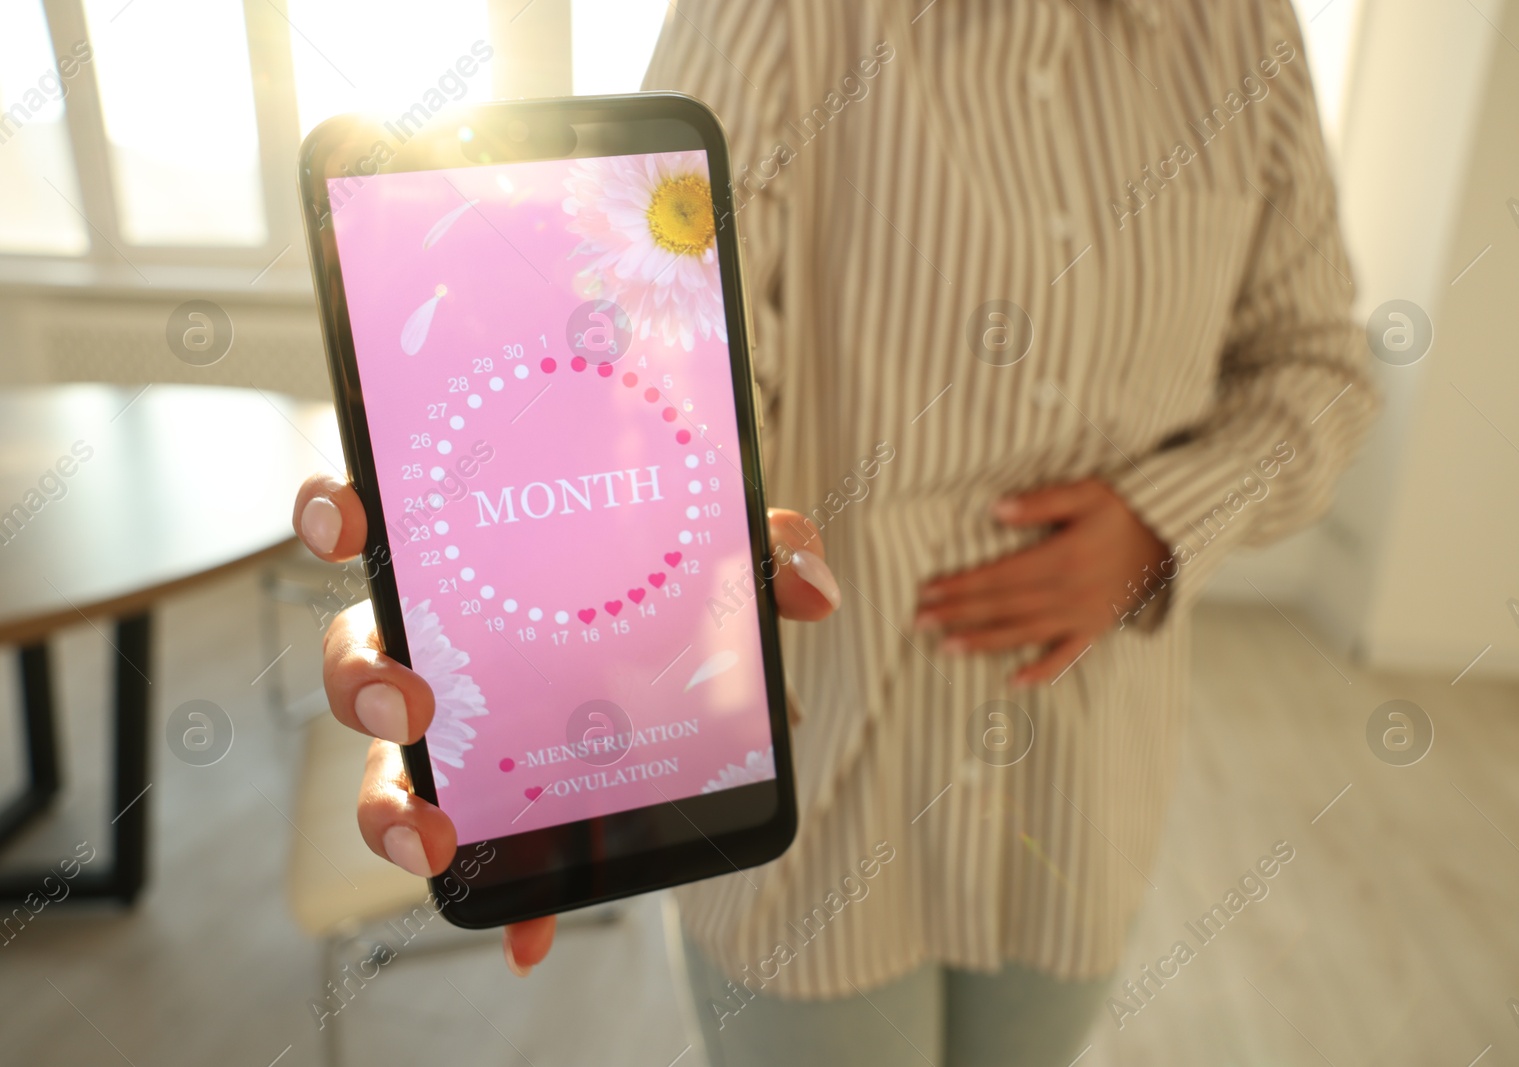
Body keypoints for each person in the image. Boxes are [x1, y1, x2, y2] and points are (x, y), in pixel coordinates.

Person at [292, 0, 1376, 1061]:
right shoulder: (770, 17)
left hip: (1083, 782)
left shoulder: (1245, 29)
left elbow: (1320, 365)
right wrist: (548, 622)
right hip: (813, 783)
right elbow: (655, 367)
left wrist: (1161, 524)